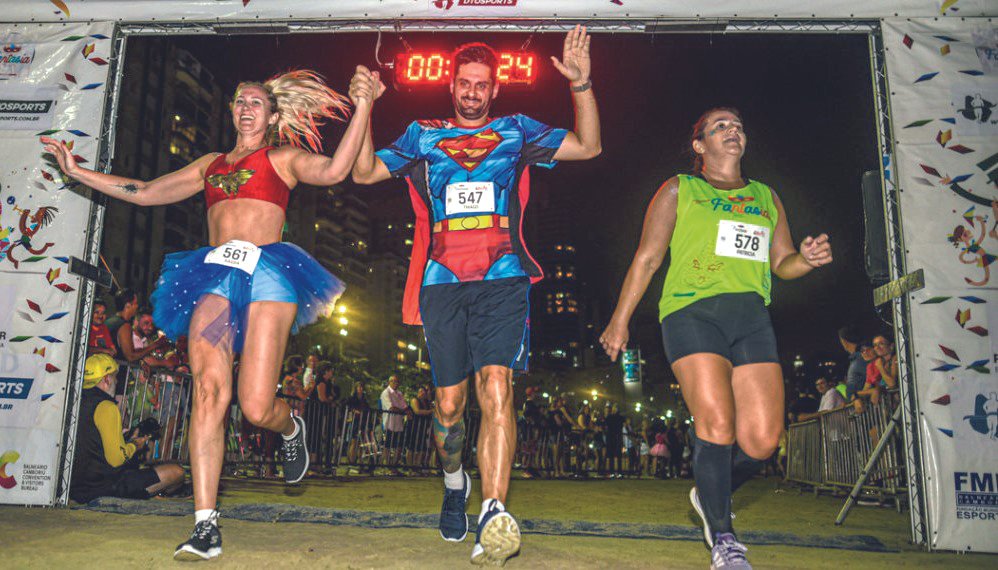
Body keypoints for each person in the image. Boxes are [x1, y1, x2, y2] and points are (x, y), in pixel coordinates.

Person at [43, 66, 382, 561]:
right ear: (232, 111)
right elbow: (146, 189)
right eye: (240, 100)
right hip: (215, 277)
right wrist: (78, 172)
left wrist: (365, 105)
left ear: (271, 116)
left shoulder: (282, 158)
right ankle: (205, 525)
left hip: (268, 274)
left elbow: (334, 171)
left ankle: (289, 428)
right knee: (207, 391)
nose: (246, 107)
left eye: (256, 103)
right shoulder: (210, 164)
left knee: (255, 407)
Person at [351, 27, 601, 565]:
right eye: (464, 83)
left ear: (495, 90)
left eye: (481, 85)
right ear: (452, 86)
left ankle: (492, 509)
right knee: (449, 407)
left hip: (504, 280)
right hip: (442, 283)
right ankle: (454, 481)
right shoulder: (422, 135)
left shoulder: (517, 130)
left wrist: (581, 85)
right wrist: (365, 107)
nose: (472, 92)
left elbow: (589, 146)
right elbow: (366, 170)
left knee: (497, 388)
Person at [599, 107, 832, 568]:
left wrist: (806, 259)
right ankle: (725, 542)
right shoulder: (679, 189)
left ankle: (710, 495)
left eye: (739, 125)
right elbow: (647, 258)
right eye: (720, 126)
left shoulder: (766, 196)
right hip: (691, 313)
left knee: (764, 441)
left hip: (750, 317)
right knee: (718, 426)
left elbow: (781, 263)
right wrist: (619, 319)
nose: (733, 130)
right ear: (699, 145)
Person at [70, 354, 185, 504]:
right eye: (115, 377)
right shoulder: (106, 407)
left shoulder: (73, 401)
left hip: (74, 487)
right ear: (106, 379)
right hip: (104, 487)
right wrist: (135, 445)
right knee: (177, 472)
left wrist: (128, 439)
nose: (117, 381)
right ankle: (161, 493)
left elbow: (92, 444)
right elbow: (116, 459)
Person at [380, 374, 409, 468]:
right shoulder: (386, 392)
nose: (395, 383)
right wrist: (403, 412)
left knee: (399, 446)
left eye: (397, 381)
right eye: (393, 381)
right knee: (387, 446)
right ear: (389, 382)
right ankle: (387, 466)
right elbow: (391, 408)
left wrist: (406, 411)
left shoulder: (399, 394)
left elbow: (404, 406)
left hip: (398, 424)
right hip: (389, 424)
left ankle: (394, 466)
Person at [839, 327, 867, 401]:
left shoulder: (862, 358)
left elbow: (872, 380)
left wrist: (857, 396)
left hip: (865, 405)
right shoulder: (855, 359)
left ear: (844, 341)